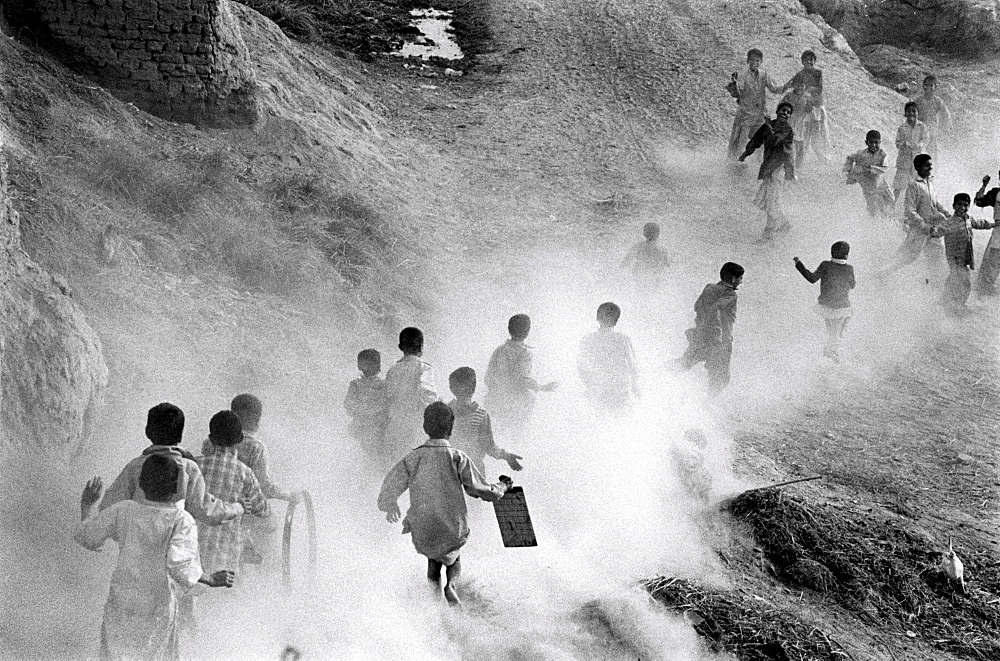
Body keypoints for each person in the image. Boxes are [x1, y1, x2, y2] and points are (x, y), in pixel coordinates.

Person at [75, 456, 235, 661]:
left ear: (140, 484)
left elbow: (88, 537)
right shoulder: (181, 520)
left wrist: (87, 506)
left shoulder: (124, 509)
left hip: (122, 601)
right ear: (179, 488)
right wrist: (209, 578)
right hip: (157, 607)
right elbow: (178, 565)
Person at [377, 402, 510, 607]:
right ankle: (451, 585)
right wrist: (502, 487)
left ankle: (435, 605)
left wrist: (390, 504)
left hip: (424, 525)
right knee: (453, 558)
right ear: (451, 429)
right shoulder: (457, 457)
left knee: (433, 561)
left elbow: (391, 483)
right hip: (452, 524)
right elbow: (479, 488)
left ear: (425, 428)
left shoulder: (413, 457)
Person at [101, 403, 243, 525]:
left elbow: (109, 506)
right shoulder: (189, 468)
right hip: (176, 548)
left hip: (134, 547)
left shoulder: (135, 467)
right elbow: (206, 511)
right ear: (180, 436)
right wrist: (238, 508)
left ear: (148, 432)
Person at [201, 394, 298, 565]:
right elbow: (264, 486)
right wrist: (287, 495)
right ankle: (269, 568)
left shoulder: (210, 443)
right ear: (257, 420)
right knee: (270, 524)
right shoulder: (256, 446)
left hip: (212, 508)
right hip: (244, 513)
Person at [197, 411, 270, 575]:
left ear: (211, 438)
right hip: (227, 554)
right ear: (240, 439)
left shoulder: (194, 466)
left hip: (194, 551)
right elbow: (262, 508)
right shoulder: (245, 473)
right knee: (229, 595)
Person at [484, 314, 557, 442]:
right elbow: (521, 380)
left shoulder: (499, 350)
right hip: (516, 405)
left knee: (498, 437)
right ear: (528, 331)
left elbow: (488, 378)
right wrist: (542, 387)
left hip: (495, 401)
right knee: (517, 438)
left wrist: (498, 390)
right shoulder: (524, 353)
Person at [680, 262, 744, 394]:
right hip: (720, 342)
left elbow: (697, 306)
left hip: (701, 335)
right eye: (740, 278)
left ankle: (653, 374)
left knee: (684, 363)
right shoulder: (731, 294)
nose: (741, 282)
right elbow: (716, 308)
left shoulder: (709, 288)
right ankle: (708, 405)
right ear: (733, 279)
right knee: (721, 379)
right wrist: (717, 332)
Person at [882, 154, 948, 281]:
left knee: (936, 255)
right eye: (926, 165)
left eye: (931, 165)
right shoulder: (914, 185)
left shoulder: (930, 183)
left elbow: (936, 203)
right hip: (920, 229)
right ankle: (882, 274)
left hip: (934, 228)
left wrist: (947, 213)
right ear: (917, 167)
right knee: (907, 256)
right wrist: (924, 226)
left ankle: (935, 283)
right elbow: (910, 210)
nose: (930, 168)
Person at [447, 367, 523, 475]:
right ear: (473, 388)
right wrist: (506, 455)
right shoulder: (481, 415)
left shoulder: (445, 412)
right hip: (474, 470)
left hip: (450, 469)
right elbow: (488, 446)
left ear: (452, 388)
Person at [739, 102, 796, 242]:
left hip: (778, 169)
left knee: (772, 201)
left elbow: (775, 140)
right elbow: (755, 141)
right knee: (769, 201)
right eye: (783, 110)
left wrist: (768, 125)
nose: (785, 113)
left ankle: (778, 228)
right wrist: (745, 155)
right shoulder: (767, 126)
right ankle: (774, 230)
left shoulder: (787, 130)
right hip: (768, 169)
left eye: (788, 112)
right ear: (777, 111)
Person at [793, 242, 856, 362]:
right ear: (847, 255)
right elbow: (852, 285)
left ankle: (817, 352)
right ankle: (833, 353)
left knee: (823, 329)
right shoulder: (849, 269)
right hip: (842, 310)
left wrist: (798, 264)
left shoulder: (825, 265)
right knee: (836, 334)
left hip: (824, 308)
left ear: (831, 253)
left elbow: (811, 278)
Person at [385, 327, 438, 460]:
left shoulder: (392, 370)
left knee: (397, 465)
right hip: (416, 426)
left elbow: (387, 396)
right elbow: (428, 396)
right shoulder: (424, 368)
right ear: (421, 347)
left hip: (395, 426)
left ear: (400, 347)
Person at [938, 193, 995, 314]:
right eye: (959, 205)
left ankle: (946, 301)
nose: (962, 208)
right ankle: (957, 304)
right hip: (954, 256)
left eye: (965, 205)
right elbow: (939, 229)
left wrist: (993, 224)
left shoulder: (968, 219)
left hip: (965, 255)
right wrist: (932, 230)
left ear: (968, 207)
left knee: (956, 278)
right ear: (953, 206)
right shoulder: (949, 222)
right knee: (964, 280)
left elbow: (980, 223)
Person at [577, 302, 640, 408]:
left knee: (601, 421)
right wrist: (635, 387)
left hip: (598, 392)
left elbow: (581, 367)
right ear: (616, 320)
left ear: (597, 317)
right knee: (621, 421)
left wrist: (589, 386)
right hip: (621, 391)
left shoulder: (587, 339)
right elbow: (633, 365)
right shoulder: (622, 338)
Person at [726, 48, 783, 163]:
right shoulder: (743, 76)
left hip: (760, 115)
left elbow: (774, 88)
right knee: (740, 142)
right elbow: (737, 94)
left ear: (761, 62)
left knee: (761, 141)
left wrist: (788, 85)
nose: (754, 63)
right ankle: (734, 164)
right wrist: (734, 85)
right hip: (745, 115)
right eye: (752, 60)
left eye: (757, 61)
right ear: (748, 61)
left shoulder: (763, 75)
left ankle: (759, 165)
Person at [781, 50, 829, 167]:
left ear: (814, 61)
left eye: (811, 60)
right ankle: (800, 162)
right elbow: (790, 83)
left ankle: (823, 159)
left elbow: (819, 88)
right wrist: (783, 88)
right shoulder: (800, 74)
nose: (809, 62)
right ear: (802, 62)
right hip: (806, 107)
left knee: (819, 133)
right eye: (806, 60)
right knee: (805, 133)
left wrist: (806, 90)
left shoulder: (818, 73)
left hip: (817, 107)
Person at [344, 349, 389, 452]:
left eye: (372, 363)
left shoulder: (382, 384)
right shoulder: (356, 384)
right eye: (366, 363)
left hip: (377, 426)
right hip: (360, 425)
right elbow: (348, 404)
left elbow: (385, 404)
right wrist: (363, 412)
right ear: (359, 365)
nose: (369, 367)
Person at [843, 130, 895, 218]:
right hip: (868, 184)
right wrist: (848, 170)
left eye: (876, 142)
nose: (874, 145)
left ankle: (887, 217)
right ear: (866, 142)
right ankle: (872, 223)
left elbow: (884, 168)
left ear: (880, 142)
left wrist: (870, 169)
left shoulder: (882, 154)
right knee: (872, 207)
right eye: (871, 142)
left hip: (880, 182)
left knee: (890, 199)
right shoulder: (861, 154)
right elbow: (849, 158)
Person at [892, 101, 930, 200]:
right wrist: (904, 144)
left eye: (914, 111)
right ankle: (891, 206)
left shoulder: (922, 126)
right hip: (904, 160)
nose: (911, 114)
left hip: (918, 159)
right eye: (908, 111)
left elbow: (926, 139)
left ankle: (921, 204)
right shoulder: (902, 128)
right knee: (899, 184)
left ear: (918, 113)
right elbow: (897, 142)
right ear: (905, 114)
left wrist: (919, 145)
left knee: (920, 183)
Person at [974, 171, 1000, 296]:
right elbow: (979, 201)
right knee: (992, 259)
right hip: (999, 230)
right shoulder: (996, 193)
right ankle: (985, 288)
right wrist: (984, 186)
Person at [912, 75, 952, 157]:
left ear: (935, 87)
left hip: (932, 133)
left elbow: (945, 114)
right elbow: (911, 114)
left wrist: (948, 126)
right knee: (917, 153)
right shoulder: (918, 101)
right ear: (923, 86)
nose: (928, 87)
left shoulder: (938, 101)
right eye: (926, 85)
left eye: (931, 85)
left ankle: (934, 169)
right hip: (920, 133)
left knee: (933, 155)